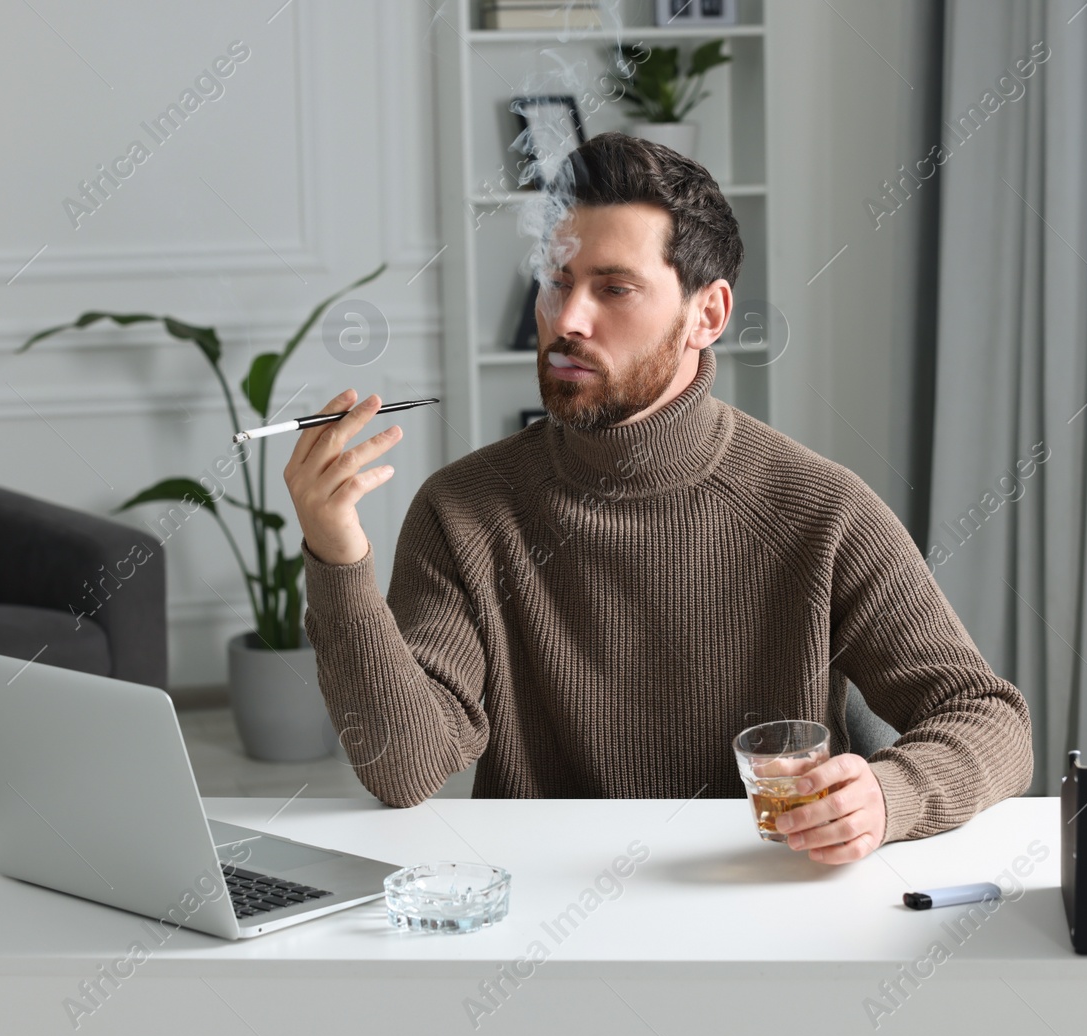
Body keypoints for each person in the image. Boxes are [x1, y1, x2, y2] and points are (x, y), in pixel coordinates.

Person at [283, 132, 1032, 864]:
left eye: (614, 288)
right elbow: (405, 767)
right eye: (556, 280)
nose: (566, 319)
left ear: (707, 314)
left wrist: (888, 795)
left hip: (761, 909)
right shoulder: (462, 510)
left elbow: (990, 719)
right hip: (540, 923)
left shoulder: (822, 510)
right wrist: (336, 551)